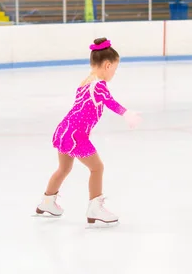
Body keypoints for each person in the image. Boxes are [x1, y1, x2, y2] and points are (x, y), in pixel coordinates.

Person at [35, 37, 141, 224]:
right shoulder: (98, 85)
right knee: (97, 167)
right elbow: (110, 102)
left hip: (64, 130)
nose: (114, 74)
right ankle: (95, 208)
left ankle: (47, 201)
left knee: (64, 168)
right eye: (115, 70)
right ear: (107, 65)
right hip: (76, 135)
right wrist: (126, 113)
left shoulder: (85, 81)